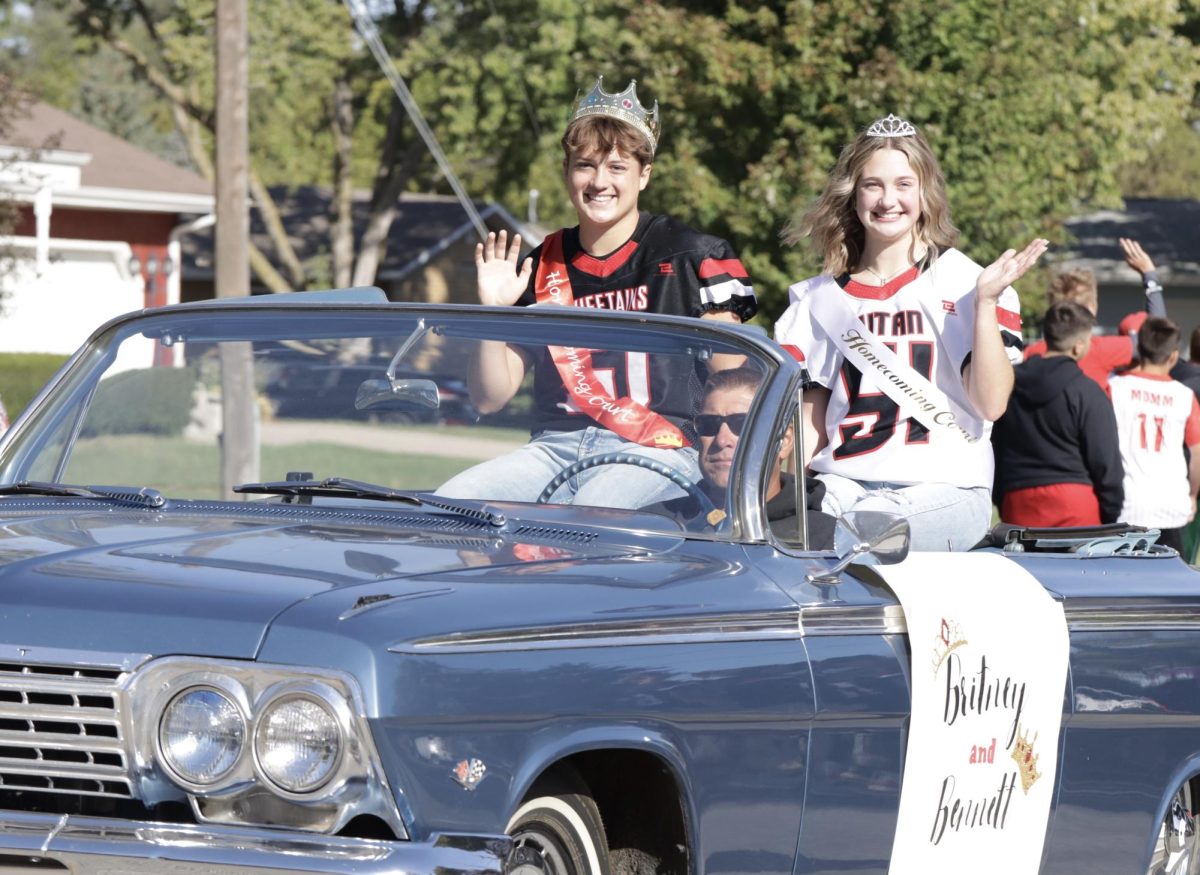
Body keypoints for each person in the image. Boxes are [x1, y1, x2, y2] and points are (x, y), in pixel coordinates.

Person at [437, 77, 756, 508]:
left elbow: (732, 386)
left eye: (617, 167)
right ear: (567, 172)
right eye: (585, 165)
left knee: (583, 522)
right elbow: (489, 399)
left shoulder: (692, 256)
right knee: (451, 505)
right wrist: (494, 311)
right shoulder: (542, 263)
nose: (599, 181)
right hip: (553, 450)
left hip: (655, 450)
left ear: (644, 175)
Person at [774, 112, 1047, 552]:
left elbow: (991, 404)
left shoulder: (967, 282)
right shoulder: (815, 302)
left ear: (925, 193)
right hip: (844, 483)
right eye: (873, 185)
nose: (887, 200)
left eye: (903, 184)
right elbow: (812, 428)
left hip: (943, 488)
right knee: (783, 531)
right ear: (854, 194)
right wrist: (786, 502)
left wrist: (986, 305)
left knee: (867, 532)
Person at [643, 367, 836, 548]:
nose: (722, 439)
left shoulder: (827, 544)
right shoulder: (650, 527)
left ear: (784, 442)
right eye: (709, 424)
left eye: (742, 424)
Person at [991, 302, 1124, 527]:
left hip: (1019, 501)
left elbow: (996, 445)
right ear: (1078, 346)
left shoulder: (1009, 384)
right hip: (1076, 504)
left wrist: (1002, 499)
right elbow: (1105, 460)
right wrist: (1111, 511)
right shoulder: (1088, 391)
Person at [1024, 238, 1166, 391]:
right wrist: (1149, 275)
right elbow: (1158, 338)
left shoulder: (1032, 354)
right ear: (1092, 308)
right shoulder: (1100, 351)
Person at [1108, 317, 1200, 554]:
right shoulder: (1184, 396)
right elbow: (1197, 453)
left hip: (1126, 506)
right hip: (1171, 507)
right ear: (1173, 356)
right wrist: (1192, 495)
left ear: (1139, 349)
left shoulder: (1115, 388)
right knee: (1169, 585)